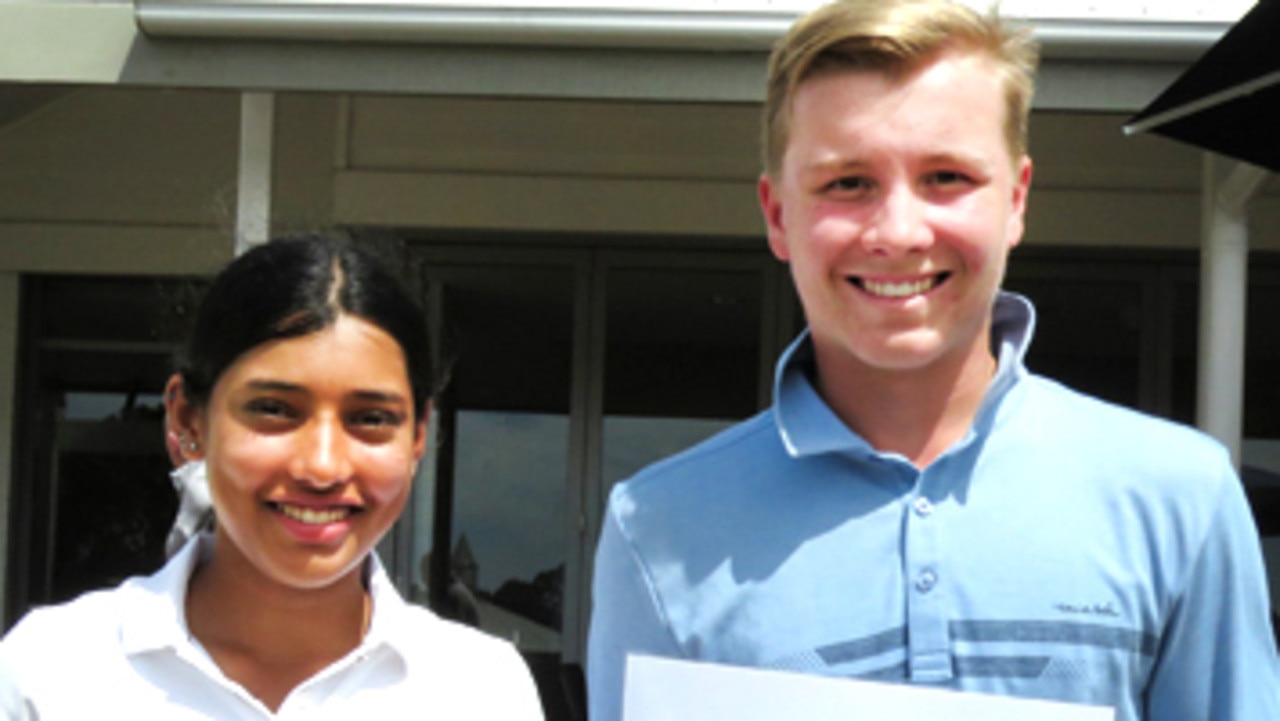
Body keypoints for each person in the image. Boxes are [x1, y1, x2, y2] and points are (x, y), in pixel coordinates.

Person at [587, 2, 1280, 721]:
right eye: (847, 183)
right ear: (776, 215)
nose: (898, 231)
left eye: (946, 176)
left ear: (1015, 199)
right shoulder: (659, 528)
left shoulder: (1181, 498)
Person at [0, 235, 545, 719]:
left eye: (371, 419)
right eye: (275, 410)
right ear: (188, 420)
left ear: (418, 437)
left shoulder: (480, 692)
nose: (323, 466)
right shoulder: (54, 671)